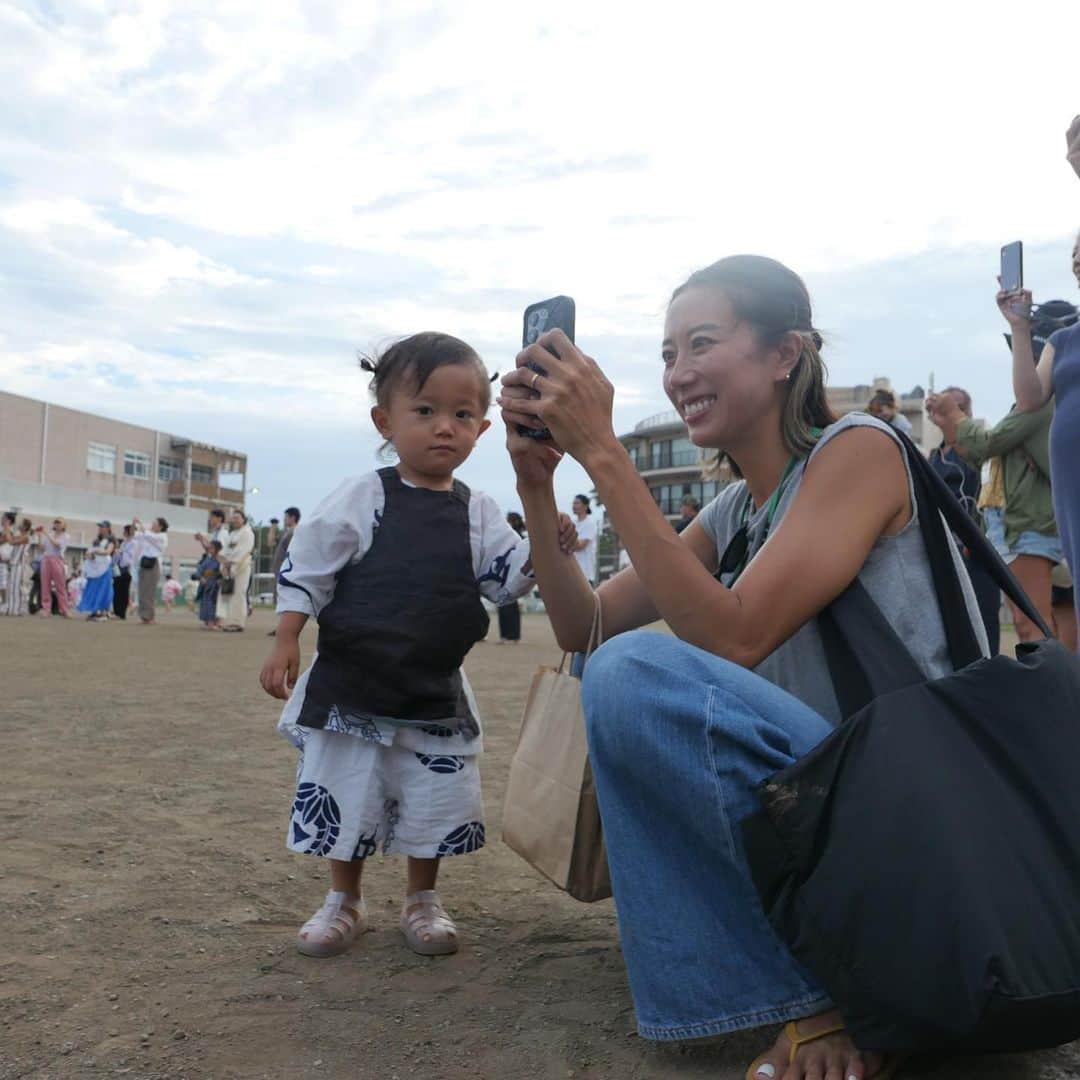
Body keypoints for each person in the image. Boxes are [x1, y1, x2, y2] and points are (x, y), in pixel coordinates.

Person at [498, 254, 987, 1080]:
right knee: (612, 670)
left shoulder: (862, 450)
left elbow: (735, 637)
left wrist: (607, 456)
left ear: (786, 353)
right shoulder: (735, 511)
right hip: (834, 801)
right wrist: (539, 484)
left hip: (919, 806)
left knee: (639, 674)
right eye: (666, 354)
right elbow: (583, 628)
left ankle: (811, 1000)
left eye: (701, 344)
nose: (678, 373)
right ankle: (811, 979)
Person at [259, 331, 577, 962]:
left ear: (483, 429)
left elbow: (504, 579)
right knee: (346, 790)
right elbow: (310, 565)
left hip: (435, 687)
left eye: (462, 415)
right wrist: (288, 636)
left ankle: (422, 897)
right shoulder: (362, 495)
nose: (443, 428)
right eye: (425, 411)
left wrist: (548, 537)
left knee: (433, 797)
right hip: (352, 684)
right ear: (386, 420)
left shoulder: (479, 510)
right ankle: (343, 898)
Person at [930, 310, 1076, 649]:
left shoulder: (1038, 404)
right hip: (1047, 522)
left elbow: (986, 445)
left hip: (1028, 526)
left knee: (1031, 625)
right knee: (1062, 623)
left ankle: (1053, 698)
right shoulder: (1056, 401)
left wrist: (954, 417)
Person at [998, 140, 1080, 646]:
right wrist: (1021, 330)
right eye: (1075, 252)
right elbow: (1031, 399)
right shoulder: (1065, 336)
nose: (1078, 257)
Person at [925, 388, 1001, 654]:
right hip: (944, 550)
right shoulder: (934, 456)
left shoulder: (976, 452)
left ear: (966, 412)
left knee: (983, 621)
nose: (945, 413)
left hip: (975, 550)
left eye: (955, 407)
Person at [216, 509, 255, 632]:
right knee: (228, 595)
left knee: (239, 594)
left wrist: (231, 563)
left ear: (243, 519)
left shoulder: (247, 533)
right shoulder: (232, 534)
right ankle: (228, 621)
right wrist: (224, 563)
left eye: (238, 517)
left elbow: (243, 551)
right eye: (233, 518)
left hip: (241, 567)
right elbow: (225, 550)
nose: (235, 520)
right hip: (229, 567)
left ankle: (238, 623)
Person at [268, 507, 301, 637]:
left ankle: (285, 628)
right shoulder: (287, 532)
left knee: (285, 600)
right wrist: (273, 527)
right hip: (281, 570)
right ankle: (281, 627)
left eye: (286, 517)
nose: (284, 519)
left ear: (292, 517)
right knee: (280, 599)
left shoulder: (295, 532)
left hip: (287, 571)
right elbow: (270, 542)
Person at [496, 511, 527, 644]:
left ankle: (513, 635)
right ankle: (505, 635)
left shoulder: (518, 537)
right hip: (504, 573)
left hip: (513, 574)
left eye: (508, 520)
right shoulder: (507, 536)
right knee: (502, 604)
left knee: (510, 605)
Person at [77, 522, 116, 621]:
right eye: (100, 527)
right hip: (94, 570)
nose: (100, 529)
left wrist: (96, 552)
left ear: (107, 528)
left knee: (103, 590)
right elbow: (90, 551)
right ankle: (94, 611)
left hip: (105, 569)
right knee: (93, 589)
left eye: (102, 527)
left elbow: (108, 552)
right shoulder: (97, 540)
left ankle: (103, 612)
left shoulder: (111, 540)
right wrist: (90, 555)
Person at [133, 517, 168, 624]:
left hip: (154, 564)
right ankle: (144, 616)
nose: (152, 525)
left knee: (149, 592)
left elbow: (149, 536)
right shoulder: (148, 534)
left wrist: (141, 524)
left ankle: (150, 617)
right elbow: (137, 535)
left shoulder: (162, 536)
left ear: (160, 526)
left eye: (154, 523)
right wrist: (135, 525)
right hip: (144, 563)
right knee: (142, 591)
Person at [36, 518, 71, 618]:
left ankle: (64, 609)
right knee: (45, 585)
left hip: (57, 559)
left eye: (59, 522)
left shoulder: (66, 536)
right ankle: (46, 609)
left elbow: (57, 545)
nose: (57, 524)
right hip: (46, 559)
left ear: (64, 525)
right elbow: (41, 549)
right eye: (55, 522)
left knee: (60, 586)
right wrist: (39, 537)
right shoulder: (49, 534)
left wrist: (46, 534)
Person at [1, 514, 34, 616]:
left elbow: (10, 541)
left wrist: (6, 527)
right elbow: (9, 539)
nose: (19, 525)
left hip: (19, 565)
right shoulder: (20, 535)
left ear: (25, 527)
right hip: (14, 564)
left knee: (16, 587)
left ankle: (17, 609)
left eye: (21, 524)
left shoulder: (26, 537)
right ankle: (11, 608)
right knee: (11, 587)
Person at [570, 494, 598, 584]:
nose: (574, 506)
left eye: (577, 503)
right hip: (572, 572)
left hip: (585, 574)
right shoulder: (573, 523)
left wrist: (566, 542)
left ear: (585, 506)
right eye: (573, 503)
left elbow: (580, 545)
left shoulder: (590, 523)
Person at [196, 541, 223, 628]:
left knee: (215, 604)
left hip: (217, 586)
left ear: (218, 549)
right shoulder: (207, 560)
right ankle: (208, 622)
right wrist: (201, 578)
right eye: (209, 547)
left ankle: (216, 622)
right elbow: (199, 571)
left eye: (212, 547)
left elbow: (224, 571)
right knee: (206, 604)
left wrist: (220, 578)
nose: (210, 549)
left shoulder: (221, 560)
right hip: (207, 585)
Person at [113, 524, 137, 619]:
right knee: (116, 591)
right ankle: (116, 612)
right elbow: (118, 556)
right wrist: (117, 553)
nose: (123, 532)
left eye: (125, 530)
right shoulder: (123, 543)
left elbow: (131, 557)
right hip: (118, 568)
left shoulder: (134, 543)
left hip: (127, 570)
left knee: (124, 592)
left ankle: (121, 613)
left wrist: (121, 552)